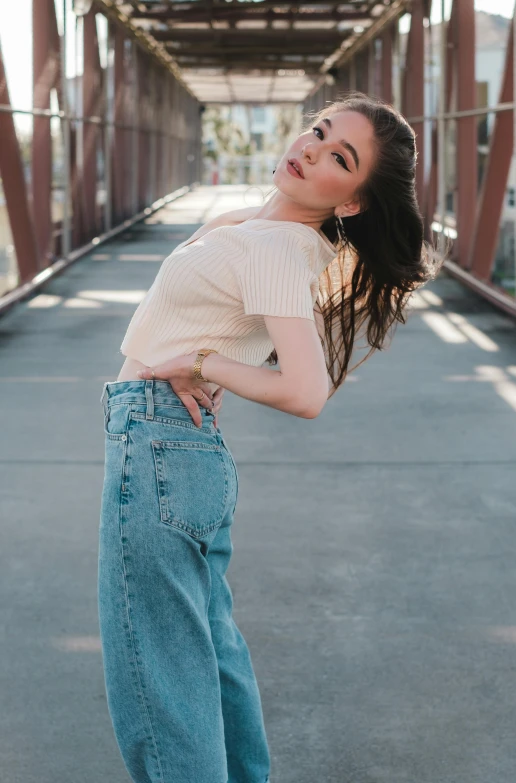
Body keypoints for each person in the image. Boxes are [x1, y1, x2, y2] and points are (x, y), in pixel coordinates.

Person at [98, 91, 444, 783]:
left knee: (159, 679)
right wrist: (216, 352)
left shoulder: (275, 248)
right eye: (318, 131)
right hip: (178, 452)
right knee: (209, 657)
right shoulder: (264, 231)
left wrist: (203, 363)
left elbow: (306, 391)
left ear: (350, 203)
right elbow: (229, 304)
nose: (312, 148)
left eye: (338, 157)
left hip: (160, 445)